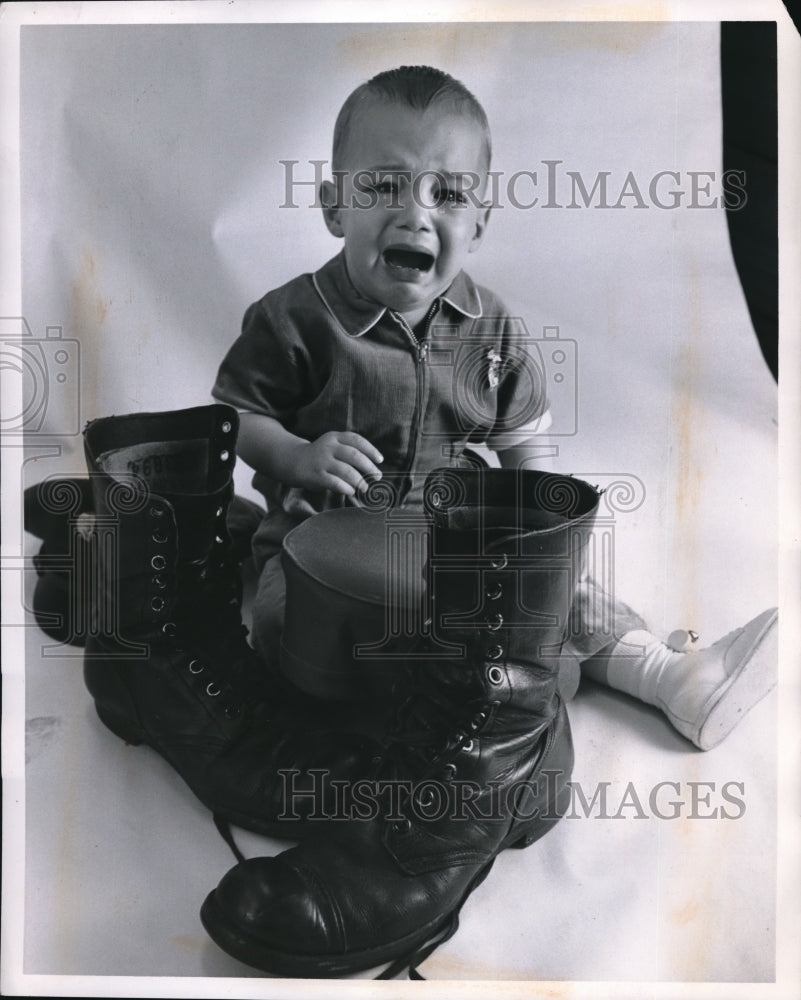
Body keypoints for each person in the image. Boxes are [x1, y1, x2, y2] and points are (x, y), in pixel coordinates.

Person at [211, 65, 777, 753]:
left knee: (562, 595)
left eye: (446, 193)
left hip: (460, 547)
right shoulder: (294, 320)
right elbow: (238, 418)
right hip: (324, 546)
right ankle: (429, 697)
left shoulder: (489, 327)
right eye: (384, 185)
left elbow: (522, 441)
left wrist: (538, 532)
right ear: (335, 207)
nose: (414, 212)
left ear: (478, 222)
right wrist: (298, 455)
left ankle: (665, 676)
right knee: (283, 625)